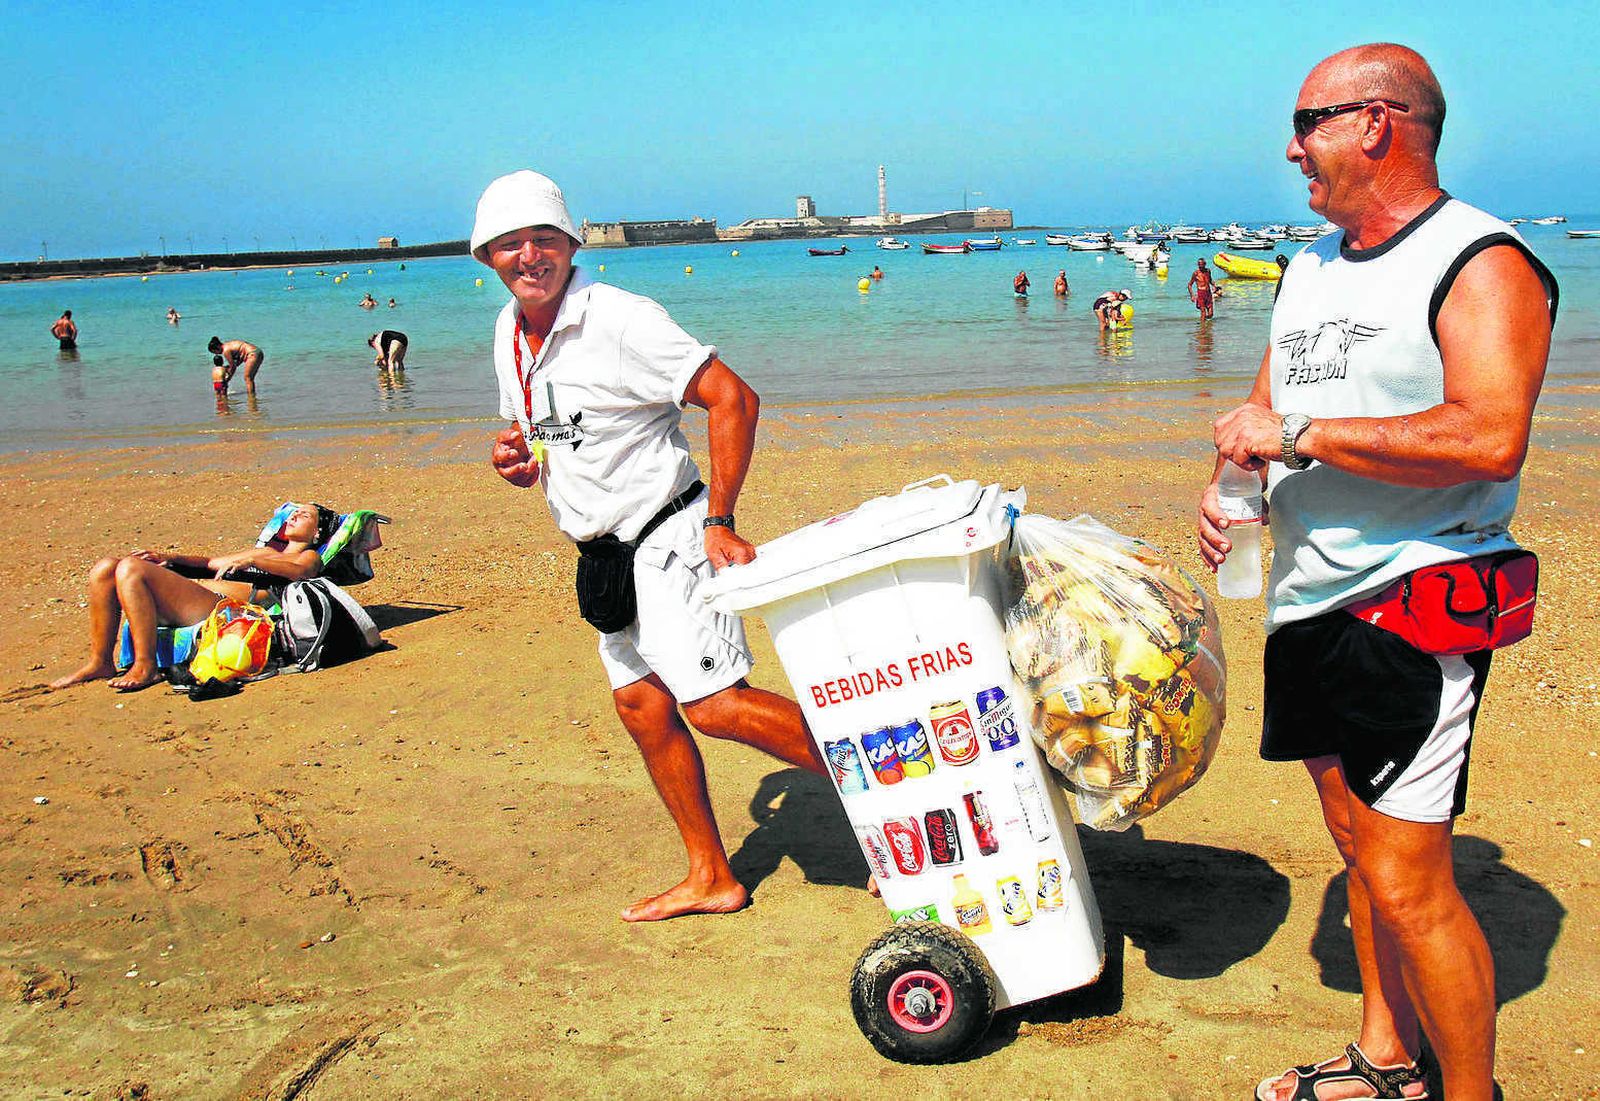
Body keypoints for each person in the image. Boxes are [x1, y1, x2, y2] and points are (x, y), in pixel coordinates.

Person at [1197, 44, 1557, 1101]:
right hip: (1304, 592)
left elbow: (1491, 436)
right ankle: (1385, 1057)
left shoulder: (1478, 258)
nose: (1290, 145)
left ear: (1375, 122)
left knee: (1408, 879)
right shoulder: (1307, 267)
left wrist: (1296, 432)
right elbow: (1264, 410)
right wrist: (1233, 492)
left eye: (1307, 120)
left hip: (1413, 598)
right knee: (1356, 844)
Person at [475, 170, 829, 922]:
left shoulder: (619, 320)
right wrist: (517, 461)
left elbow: (733, 396)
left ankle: (900, 795)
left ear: (572, 246)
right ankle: (711, 875)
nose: (529, 255)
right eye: (510, 244)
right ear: (488, 258)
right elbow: (543, 441)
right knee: (642, 704)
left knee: (715, 704)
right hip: (603, 557)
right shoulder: (509, 336)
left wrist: (721, 518)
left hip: (670, 534)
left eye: (544, 239)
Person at [49, 504, 328, 692]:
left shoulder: (308, 555)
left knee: (130, 569)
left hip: (226, 611)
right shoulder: (265, 552)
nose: (292, 516)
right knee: (105, 568)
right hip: (198, 596)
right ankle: (100, 662)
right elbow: (209, 562)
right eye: (292, 513)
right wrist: (169, 558)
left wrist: (255, 561)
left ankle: (145, 665)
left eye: (303, 516)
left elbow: (300, 572)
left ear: (317, 533)